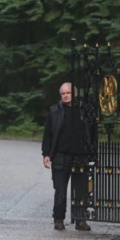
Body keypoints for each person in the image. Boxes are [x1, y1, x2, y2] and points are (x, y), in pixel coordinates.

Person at [41, 82, 91, 231]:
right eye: (63, 94)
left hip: (80, 155)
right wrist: (47, 154)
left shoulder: (83, 110)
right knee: (60, 191)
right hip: (60, 156)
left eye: (68, 93)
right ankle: (59, 219)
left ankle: (80, 220)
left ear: (74, 94)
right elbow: (47, 135)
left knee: (81, 190)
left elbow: (92, 133)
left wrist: (93, 153)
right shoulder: (54, 111)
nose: (65, 95)